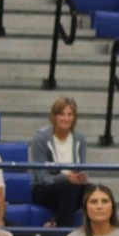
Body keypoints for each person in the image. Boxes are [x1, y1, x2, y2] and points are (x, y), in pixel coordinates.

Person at [29, 97, 89, 227]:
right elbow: (42, 177)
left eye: (70, 114)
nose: (66, 118)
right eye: (62, 114)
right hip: (44, 189)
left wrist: (81, 178)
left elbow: (83, 168)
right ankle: (63, 234)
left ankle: (57, 223)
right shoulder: (41, 138)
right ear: (54, 116)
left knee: (95, 191)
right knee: (69, 188)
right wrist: (65, 178)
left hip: (73, 188)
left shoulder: (80, 138)